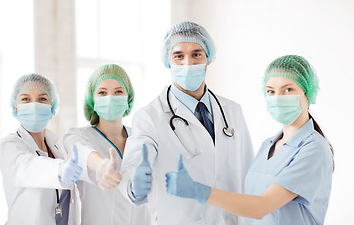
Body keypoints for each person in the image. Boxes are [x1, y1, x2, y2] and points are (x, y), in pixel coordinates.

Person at [166, 55, 334, 225]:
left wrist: (199, 190)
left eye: (288, 89)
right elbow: (248, 205)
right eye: (271, 91)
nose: (278, 97)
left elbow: (261, 207)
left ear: (308, 92)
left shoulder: (313, 149)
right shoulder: (268, 145)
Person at [119, 21, 254, 224]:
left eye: (196, 54)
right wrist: (134, 185)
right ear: (168, 61)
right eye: (179, 55)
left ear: (208, 57)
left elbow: (248, 173)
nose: (188, 63)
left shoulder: (232, 111)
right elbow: (134, 164)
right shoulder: (150, 117)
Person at [63, 64, 155, 225]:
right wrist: (101, 166)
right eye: (102, 92)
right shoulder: (77, 136)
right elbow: (82, 153)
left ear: (129, 97)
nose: (110, 98)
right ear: (92, 98)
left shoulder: (142, 138)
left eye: (118, 91)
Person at [0, 73, 83, 225]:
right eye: (25, 99)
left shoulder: (57, 145)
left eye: (42, 99)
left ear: (52, 107)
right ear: (15, 107)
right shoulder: (10, 145)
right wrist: (59, 170)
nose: (34, 105)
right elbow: (28, 166)